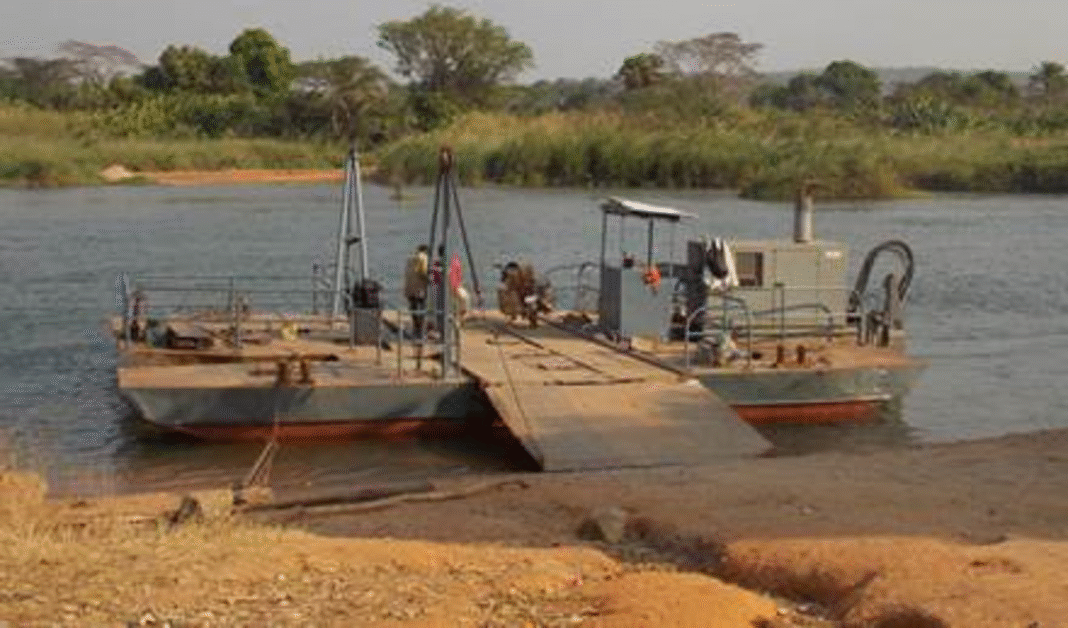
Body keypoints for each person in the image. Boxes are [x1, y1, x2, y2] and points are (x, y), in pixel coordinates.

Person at [403, 244, 429, 336]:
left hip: (409, 286)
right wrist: (429, 280)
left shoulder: (410, 257)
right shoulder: (423, 257)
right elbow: (422, 272)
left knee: (413, 307)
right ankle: (420, 330)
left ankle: (415, 327)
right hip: (419, 287)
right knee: (421, 307)